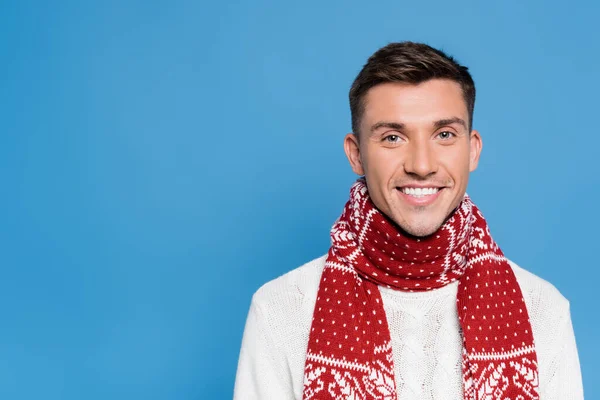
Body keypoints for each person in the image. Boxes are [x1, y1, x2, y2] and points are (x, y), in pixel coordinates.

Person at [233, 42, 583, 399]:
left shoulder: (541, 309)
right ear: (356, 155)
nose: (421, 164)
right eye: (393, 137)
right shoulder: (281, 310)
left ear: (472, 149)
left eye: (444, 134)